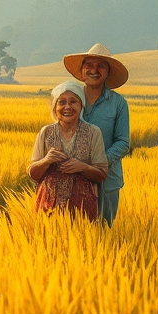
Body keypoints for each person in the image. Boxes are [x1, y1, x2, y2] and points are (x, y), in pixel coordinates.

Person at [62, 44, 130, 226]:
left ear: (108, 72)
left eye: (101, 66)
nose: (94, 70)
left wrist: (96, 164)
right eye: (89, 65)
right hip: (72, 180)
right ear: (82, 70)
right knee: (73, 232)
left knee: (104, 232)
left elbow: (123, 143)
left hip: (107, 182)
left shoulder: (118, 103)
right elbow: (58, 132)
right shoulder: (70, 99)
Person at [28, 80, 108, 221]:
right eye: (62, 102)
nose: (67, 107)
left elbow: (101, 174)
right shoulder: (46, 132)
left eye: (73, 102)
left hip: (82, 208)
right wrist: (46, 161)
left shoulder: (93, 132)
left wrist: (83, 167)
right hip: (48, 207)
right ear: (55, 107)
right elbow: (33, 174)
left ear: (81, 106)